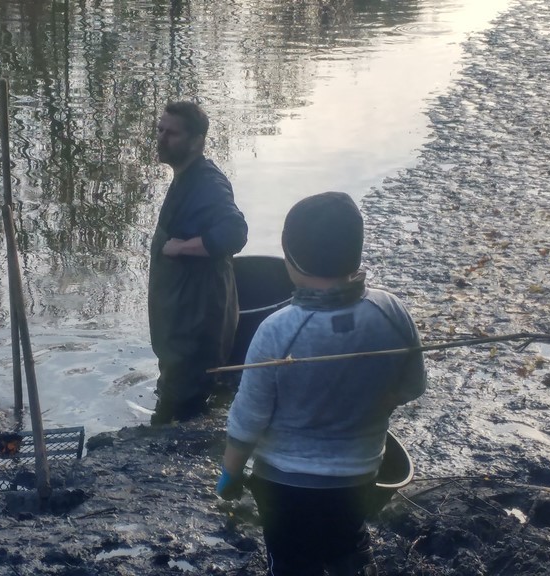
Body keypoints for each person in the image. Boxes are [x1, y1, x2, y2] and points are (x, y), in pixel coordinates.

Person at [216, 191, 427, 575]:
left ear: (292, 260)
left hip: (284, 488)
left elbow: (247, 422)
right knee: (347, 544)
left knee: (291, 561)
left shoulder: (278, 330)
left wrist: (230, 476)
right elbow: (413, 387)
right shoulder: (391, 311)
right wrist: (369, 402)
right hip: (360, 478)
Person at [148, 100, 249, 425]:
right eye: (160, 130)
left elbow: (235, 232)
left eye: (172, 133)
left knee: (181, 406)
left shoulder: (207, 183)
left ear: (197, 141)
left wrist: (181, 247)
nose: (162, 138)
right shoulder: (185, 177)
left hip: (196, 321)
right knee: (176, 394)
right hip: (179, 318)